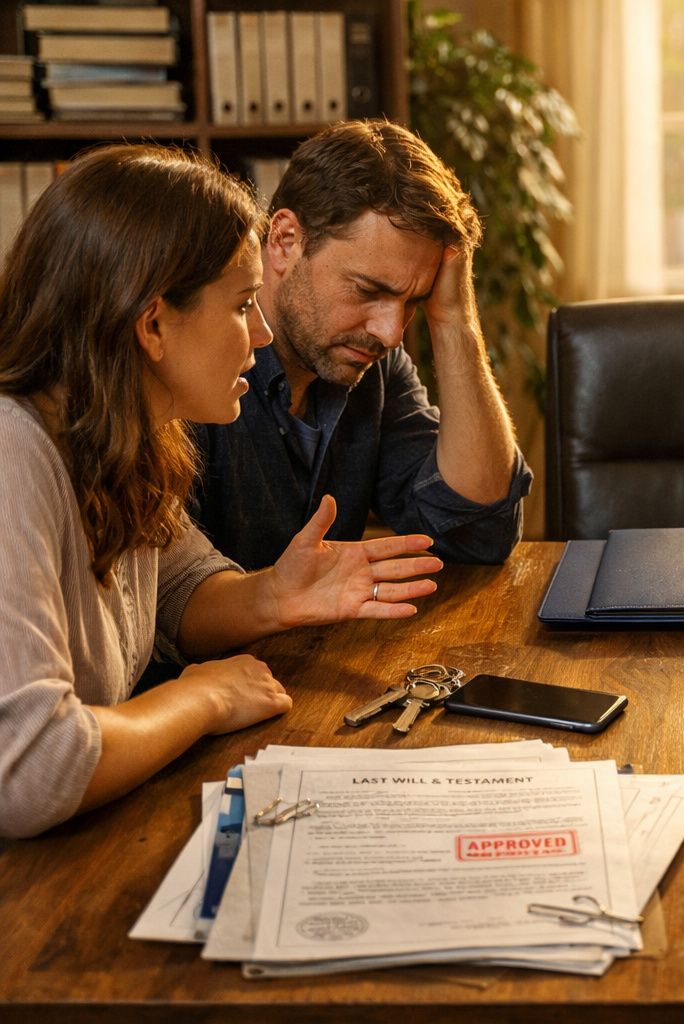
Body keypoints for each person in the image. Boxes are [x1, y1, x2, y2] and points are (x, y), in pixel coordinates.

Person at [0, 145, 443, 838]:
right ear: (152, 325)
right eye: (242, 305)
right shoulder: (12, 454)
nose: (261, 332)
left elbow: (179, 591)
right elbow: (32, 769)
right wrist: (200, 698)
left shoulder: (121, 441)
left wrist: (273, 596)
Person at [189, 120, 532, 570]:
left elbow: (478, 534)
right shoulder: (193, 363)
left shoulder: (372, 367)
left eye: (413, 300)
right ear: (285, 241)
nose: (390, 333)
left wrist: (454, 319)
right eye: (368, 291)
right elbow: (163, 600)